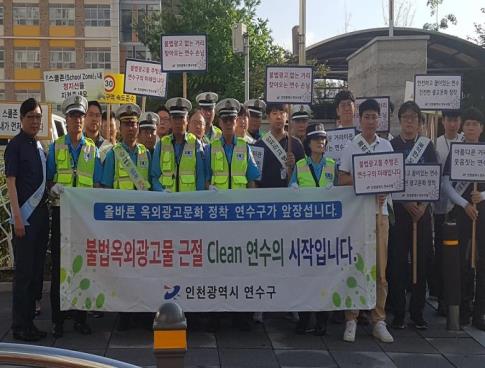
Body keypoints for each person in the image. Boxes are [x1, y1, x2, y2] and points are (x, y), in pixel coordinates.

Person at [47, 95, 103, 338]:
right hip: (61, 213)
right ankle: (58, 319)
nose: (78, 120)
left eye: (81, 116)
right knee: (59, 266)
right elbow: (48, 179)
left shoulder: (92, 149)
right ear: (66, 120)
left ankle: (81, 317)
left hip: (83, 218)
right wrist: (53, 188)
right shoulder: (56, 146)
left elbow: (98, 184)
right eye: (73, 116)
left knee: (84, 268)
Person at [338, 99, 394, 343]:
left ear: (379, 120)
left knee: (380, 271)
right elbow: (342, 179)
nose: (371, 121)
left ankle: (378, 320)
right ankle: (351, 318)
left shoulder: (387, 146)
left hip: (380, 215)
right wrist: (367, 182)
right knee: (356, 267)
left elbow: (393, 178)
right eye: (367, 116)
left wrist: (384, 188)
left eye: (374, 116)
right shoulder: (351, 146)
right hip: (357, 217)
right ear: (360, 119)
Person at [205, 98, 260, 332]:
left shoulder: (245, 148)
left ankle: (241, 316)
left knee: (241, 266)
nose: (228, 123)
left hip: (239, 217)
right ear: (219, 121)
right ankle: (216, 315)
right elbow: (206, 181)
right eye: (225, 119)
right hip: (217, 218)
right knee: (216, 266)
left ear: (237, 121)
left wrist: (251, 213)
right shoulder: (210, 148)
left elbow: (252, 181)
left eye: (232, 119)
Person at [101, 103, 151, 331]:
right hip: (120, 222)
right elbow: (104, 186)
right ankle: (124, 314)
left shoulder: (146, 154)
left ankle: (142, 311)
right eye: (126, 124)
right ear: (119, 127)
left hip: (142, 222)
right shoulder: (113, 155)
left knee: (143, 267)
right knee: (122, 268)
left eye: (134, 124)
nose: (131, 128)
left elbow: (154, 184)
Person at [388, 101, 437, 330]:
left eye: (414, 118)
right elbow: (388, 179)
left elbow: (434, 179)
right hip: (400, 212)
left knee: (421, 262)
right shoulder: (391, 145)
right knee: (397, 263)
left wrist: (423, 205)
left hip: (422, 214)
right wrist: (407, 202)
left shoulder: (428, 146)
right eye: (405, 117)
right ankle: (398, 312)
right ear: (400, 120)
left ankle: (417, 312)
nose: (409, 121)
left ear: (420, 122)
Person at [5, 98, 49, 342]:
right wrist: (18, 218)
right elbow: (11, 183)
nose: (35, 121)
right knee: (23, 274)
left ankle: (29, 322)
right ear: (21, 119)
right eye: (31, 116)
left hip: (41, 218)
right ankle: (19, 325)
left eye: (38, 117)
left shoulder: (38, 146)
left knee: (35, 272)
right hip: (25, 220)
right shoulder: (16, 146)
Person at [289, 123, 334, 336]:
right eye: (316, 139)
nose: (320, 142)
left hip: (326, 230)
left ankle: (322, 320)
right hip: (305, 230)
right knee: (305, 275)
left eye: (323, 139)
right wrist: (294, 188)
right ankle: (304, 318)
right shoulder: (299, 165)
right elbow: (291, 189)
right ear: (308, 143)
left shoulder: (333, 165)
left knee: (324, 275)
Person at [442, 107, 485, 330]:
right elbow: (447, 184)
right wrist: (465, 203)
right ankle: (463, 309)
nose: (470, 127)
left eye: (474, 124)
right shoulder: (456, 151)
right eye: (467, 124)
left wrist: (482, 195)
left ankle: (480, 312)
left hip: (483, 211)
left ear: (481, 128)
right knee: (461, 261)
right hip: (462, 210)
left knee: (482, 261)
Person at [432, 110, 463, 315]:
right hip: (439, 207)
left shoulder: (466, 143)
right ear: (443, 122)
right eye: (449, 120)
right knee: (442, 254)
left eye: (455, 120)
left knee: (460, 256)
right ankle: (442, 297)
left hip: (461, 207)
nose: (452, 124)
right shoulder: (435, 144)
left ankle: (459, 300)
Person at [151, 97, 206, 192]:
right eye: (175, 118)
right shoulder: (161, 144)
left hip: (189, 202)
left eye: (181, 118)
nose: (178, 122)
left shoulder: (195, 143)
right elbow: (154, 176)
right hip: (166, 202)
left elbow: (200, 177)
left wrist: (197, 199)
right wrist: (161, 192)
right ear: (170, 120)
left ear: (187, 119)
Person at [254, 103, 305, 189]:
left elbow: (304, 176)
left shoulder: (296, 144)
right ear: (268, 117)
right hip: (265, 196)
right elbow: (255, 179)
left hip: (289, 197)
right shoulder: (259, 145)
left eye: (282, 113)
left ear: (287, 117)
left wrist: (293, 167)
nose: (278, 117)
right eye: (274, 113)